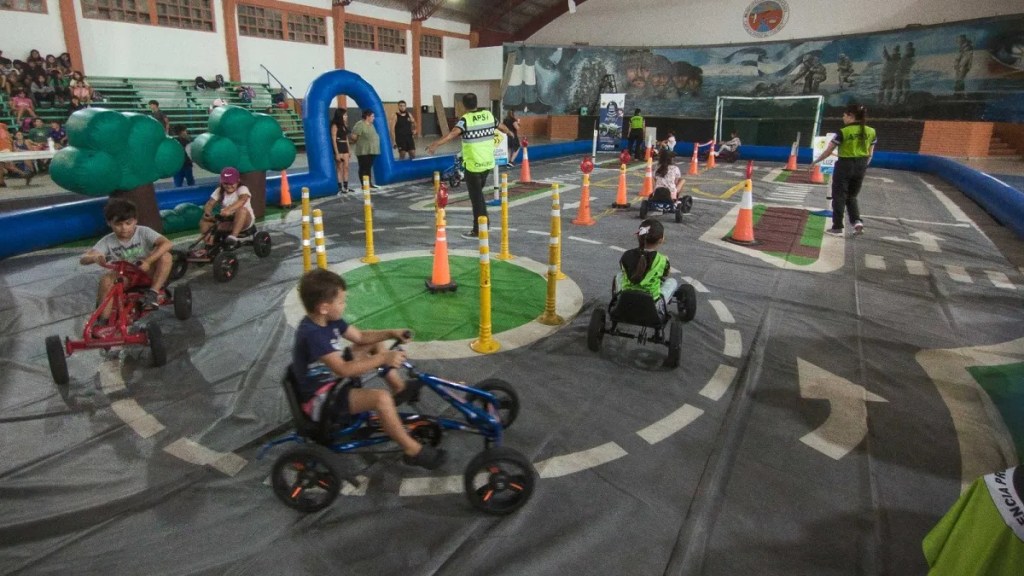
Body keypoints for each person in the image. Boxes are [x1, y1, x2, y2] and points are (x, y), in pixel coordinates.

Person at [292, 268, 446, 469]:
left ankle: (399, 388)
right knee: (380, 398)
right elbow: (344, 370)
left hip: (330, 377)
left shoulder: (330, 320)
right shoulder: (313, 334)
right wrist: (384, 358)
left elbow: (361, 338)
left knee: (373, 345)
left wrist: (390, 333)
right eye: (341, 302)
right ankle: (412, 450)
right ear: (323, 307)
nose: (344, 305)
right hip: (320, 397)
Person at [426, 92, 513, 239]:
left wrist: (435, 144)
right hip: (487, 165)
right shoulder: (488, 115)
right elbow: (502, 128)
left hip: (473, 166)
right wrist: (510, 133)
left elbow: (452, 135)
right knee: (479, 196)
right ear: (477, 103)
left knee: (477, 199)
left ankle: (478, 229)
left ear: (463, 105)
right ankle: (484, 224)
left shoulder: (465, 120)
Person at [79, 198, 173, 314]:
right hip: (126, 276)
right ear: (109, 223)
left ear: (135, 221)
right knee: (106, 280)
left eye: (128, 223)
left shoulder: (143, 232)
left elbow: (167, 243)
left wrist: (148, 261)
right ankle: (104, 321)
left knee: (166, 256)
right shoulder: (108, 241)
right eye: (118, 224)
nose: (124, 228)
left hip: (146, 271)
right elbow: (83, 259)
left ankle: (152, 293)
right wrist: (95, 257)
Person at [811, 104, 876, 236]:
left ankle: (837, 226)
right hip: (861, 165)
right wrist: (864, 166)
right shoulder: (871, 132)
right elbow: (870, 153)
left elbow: (828, 151)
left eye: (844, 115)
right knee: (852, 196)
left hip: (845, 164)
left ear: (851, 116)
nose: (843, 117)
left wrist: (816, 161)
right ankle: (857, 221)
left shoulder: (843, 132)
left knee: (839, 196)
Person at [616, 219, 679, 317]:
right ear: (661, 240)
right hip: (652, 304)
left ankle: (618, 300)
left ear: (638, 236)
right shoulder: (661, 260)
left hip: (626, 299)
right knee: (673, 282)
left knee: (619, 275)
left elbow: (622, 269)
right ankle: (660, 307)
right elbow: (665, 274)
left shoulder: (626, 255)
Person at [197, 167, 254, 249]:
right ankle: (209, 244)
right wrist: (207, 213)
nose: (228, 186)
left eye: (231, 183)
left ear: (238, 181)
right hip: (227, 221)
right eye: (226, 184)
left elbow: (242, 200)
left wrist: (229, 209)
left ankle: (233, 237)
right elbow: (210, 203)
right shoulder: (220, 190)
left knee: (242, 210)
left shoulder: (242, 189)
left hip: (244, 221)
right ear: (222, 182)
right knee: (203, 222)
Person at [349, 109, 381, 189]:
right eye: (372, 116)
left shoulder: (371, 125)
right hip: (363, 151)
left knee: (368, 167)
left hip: (372, 150)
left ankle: (369, 183)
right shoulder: (360, 124)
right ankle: (364, 184)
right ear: (367, 117)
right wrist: (356, 141)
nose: (374, 118)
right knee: (363, 167)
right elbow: (354, 136)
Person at [330, 108, 351, 193]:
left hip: (344, 146)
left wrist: (349, 150)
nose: (346, 116)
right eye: (345, 115)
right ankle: (340, 187)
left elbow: (346, 138)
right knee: (339, 167)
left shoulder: (344, 125)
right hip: (338, 146)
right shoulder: (335, 125)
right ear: (340, 116)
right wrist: (337, 153)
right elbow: (333, 139)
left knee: (346, 167)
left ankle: (346, 187)